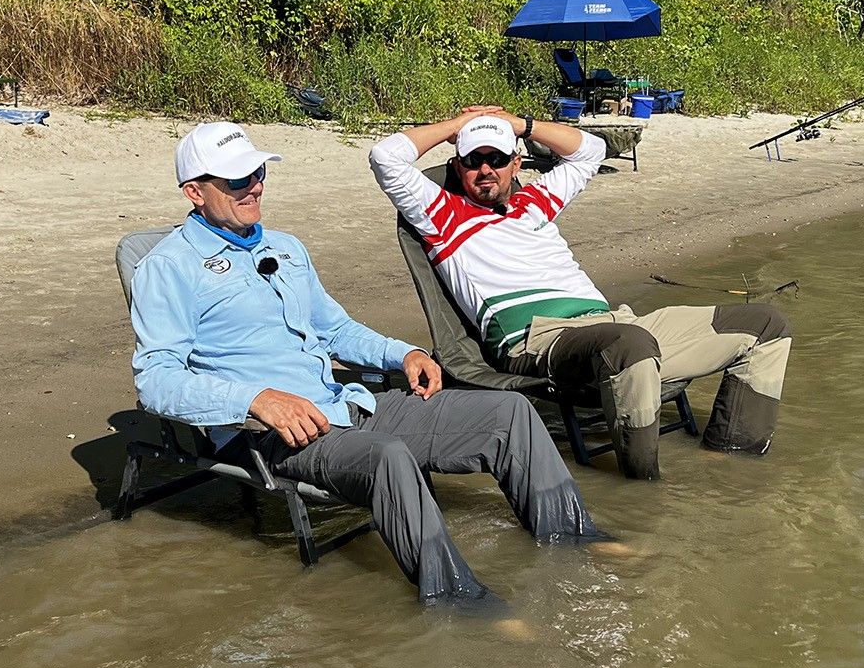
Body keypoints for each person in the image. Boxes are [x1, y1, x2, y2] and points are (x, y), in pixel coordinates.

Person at [129, 120, 610, 603]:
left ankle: (574, 546)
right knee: (389, 458)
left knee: (511, 416)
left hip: (345, 404)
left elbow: (335, 330)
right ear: (194, 191)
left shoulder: (286, 247)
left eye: (258, 173)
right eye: (236, 180)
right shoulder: (168, 267)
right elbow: (156, 380)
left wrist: (405, 353)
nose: (254, 186)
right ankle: (458, 600)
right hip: (273, 434)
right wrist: (255, 400)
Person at [368, 107, 792, 479]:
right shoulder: (440, 214)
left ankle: (732, 464)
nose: (485, 170)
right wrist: (462, 124)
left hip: (614, 325)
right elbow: (386, 156)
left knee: (764, 325)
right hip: (542, 339)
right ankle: (643, 490)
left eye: (496, 158)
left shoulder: (534, 201)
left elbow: (591, 149)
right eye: (473, 160)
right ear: (458, 166)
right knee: (632, 346)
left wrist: (520, 123)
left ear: (516, 164)